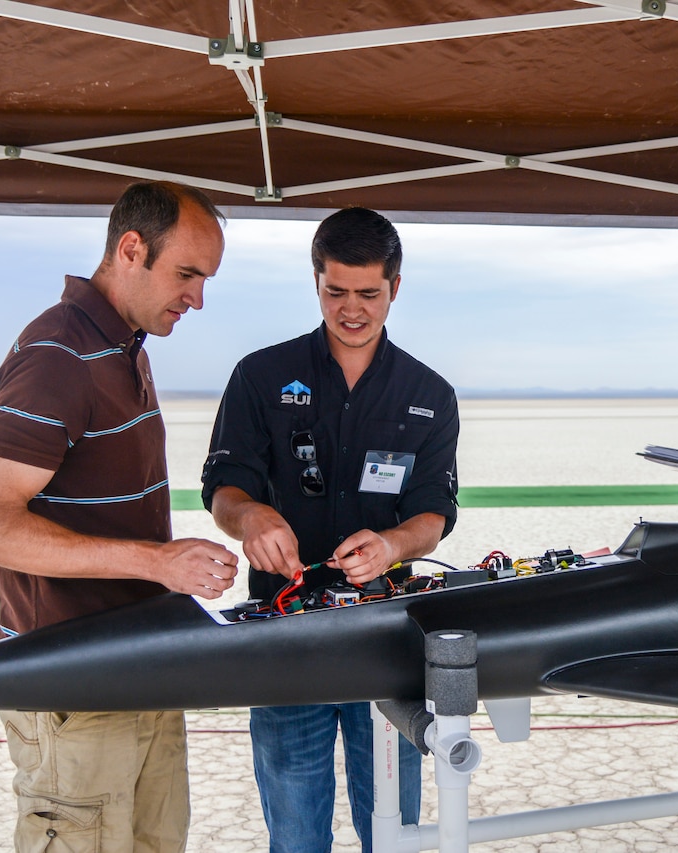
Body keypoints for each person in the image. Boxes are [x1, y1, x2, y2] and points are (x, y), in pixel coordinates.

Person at [0, 180, 240, 851]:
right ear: (131, 248)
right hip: (71, 688)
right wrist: (157, 562)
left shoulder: (122, 345)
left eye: (205, 279)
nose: (198, 297)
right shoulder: (58, 354)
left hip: (142, 669)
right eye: (186, 274)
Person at [201, 206, 459, 853]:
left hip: (389, 647)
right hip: (287, 646)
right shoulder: (259, 378)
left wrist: (394, 544)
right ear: (315, 281)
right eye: (335, 291)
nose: (351, 309)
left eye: (368, 294)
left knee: (393, 834)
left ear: (394, 287)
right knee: (295, 838)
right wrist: (249, 516)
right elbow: (224, 488)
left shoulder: (430, 394)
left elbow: (434, 513)